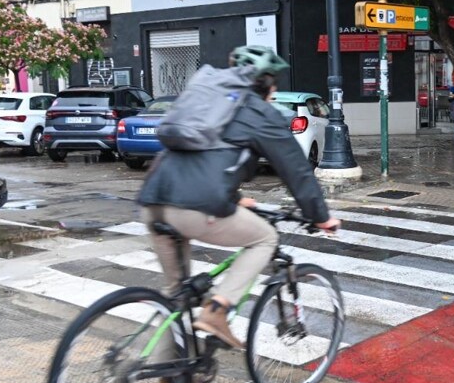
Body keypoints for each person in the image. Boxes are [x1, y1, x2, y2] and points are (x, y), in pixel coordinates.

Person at [138, 45, 341, 350]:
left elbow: (211, 154)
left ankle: (165, 379)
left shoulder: (209, 103)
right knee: (265, 238)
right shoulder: (260, 112)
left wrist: (234, 196)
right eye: (273, 85)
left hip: (154, 201)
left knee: (176, 296)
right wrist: (321, 216)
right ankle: (218, 310)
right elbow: (296, 170)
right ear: (268, 85)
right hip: (195, 207)